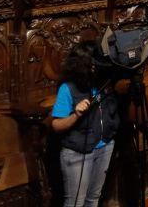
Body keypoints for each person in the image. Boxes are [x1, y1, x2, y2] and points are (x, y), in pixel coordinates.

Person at [50, 41, 120, 207]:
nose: (96, 66)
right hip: (77, 153)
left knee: (93, 198)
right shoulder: (68, 88)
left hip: (104, 147)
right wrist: (76, 115)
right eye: (93, 63)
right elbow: (56, 125)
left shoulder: (103, 83)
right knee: (76, 203)